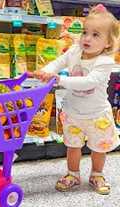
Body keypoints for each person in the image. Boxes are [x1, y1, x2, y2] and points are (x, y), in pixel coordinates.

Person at [29, 4, 120, 194]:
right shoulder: (74, 50)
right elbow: (58, 62)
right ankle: (73, 174)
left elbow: (89, 82)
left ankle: (96, 174)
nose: (87, 38)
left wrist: (60, 79)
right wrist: (46, 72)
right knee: (72, 146)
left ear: (108, 44)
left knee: (99, 149)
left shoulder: (105, 62)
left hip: (97, 116)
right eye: (85, 32)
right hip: (72, 113)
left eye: (96, 35)